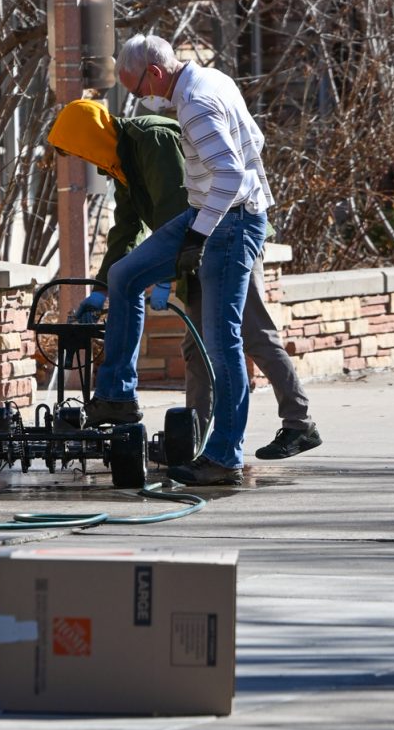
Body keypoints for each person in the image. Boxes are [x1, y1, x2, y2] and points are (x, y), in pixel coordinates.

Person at [49, 99, 321, 460]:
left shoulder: (153, 139)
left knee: (254, 334)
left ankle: (299, 423)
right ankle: (193, 442)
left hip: (228, 237)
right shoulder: (122, 161)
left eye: (79, 150)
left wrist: (164, 277)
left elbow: (178, 207)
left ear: (89, 136)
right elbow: (126, 229)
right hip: (196, 249)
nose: (84, 161)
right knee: (196, 348)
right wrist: (102, 290)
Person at [79, 34, 273, 485]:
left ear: (157, 72)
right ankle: (117, 395)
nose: (138, 98)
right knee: (126, 276)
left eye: (137, 87)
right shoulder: (213, 78)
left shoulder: (196, 103)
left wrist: (198, 235)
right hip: (205, 212)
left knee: (222, 345)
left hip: (230, 224)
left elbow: (230, 174)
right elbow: (254, 138)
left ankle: (224, 457)